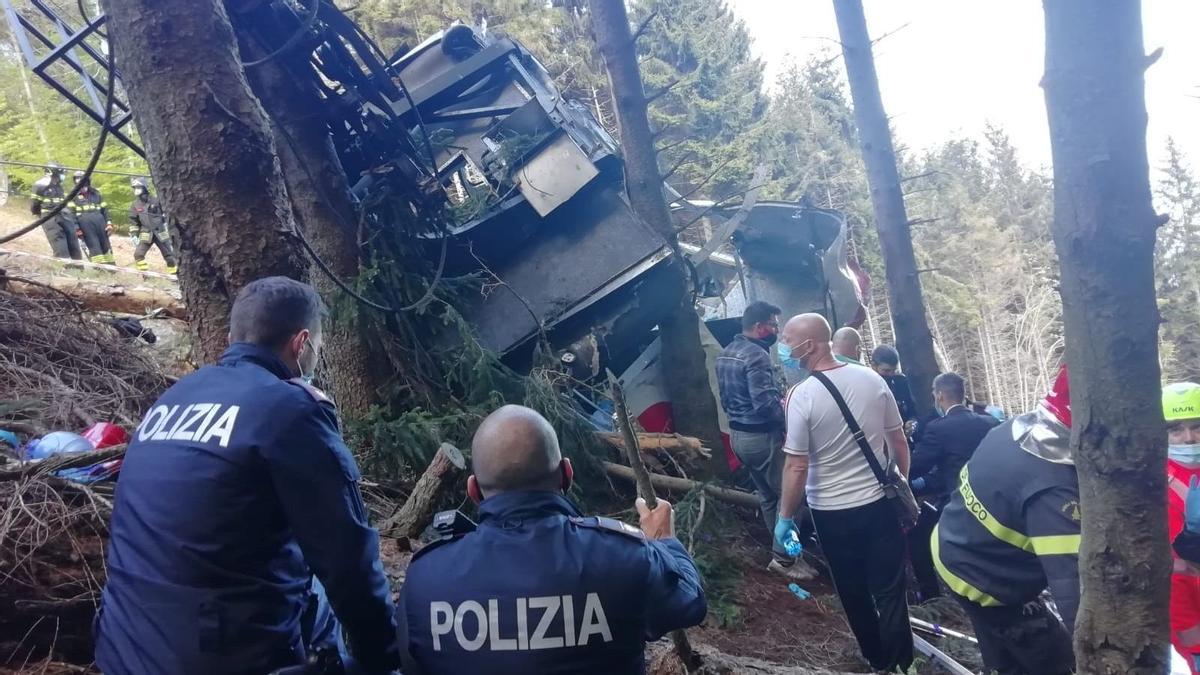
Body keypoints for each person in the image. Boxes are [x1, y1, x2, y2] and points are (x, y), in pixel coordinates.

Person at [95, 277, 399, 675]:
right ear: (302, 343)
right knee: (330, 601)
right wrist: (386, 658)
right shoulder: (290, 409)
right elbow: (348, 558)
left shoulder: (173, 398)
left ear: (231, 336)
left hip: (125, 645)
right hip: (220, 657)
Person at [398, 405, 706, 674]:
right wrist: (663, 540)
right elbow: (689, 602)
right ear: (566, 475)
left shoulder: (425, 578)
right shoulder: (622, 558)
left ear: (474, 491)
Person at [774, 313, 914, 673]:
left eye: (787, 338)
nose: (783, 345)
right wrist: (901, 483)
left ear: (811, 345)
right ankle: (903, 663)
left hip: (831, 513)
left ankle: (878, 661)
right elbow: (897, 439)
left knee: (854, 593)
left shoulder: (800, 396)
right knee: (890, 590)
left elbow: (796, 466)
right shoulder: (871, 379)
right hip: (879, 505)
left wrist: (785, 518)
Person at [933, 365, 1077, 675]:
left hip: (954, 546)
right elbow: (1072, 588)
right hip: (988, 580)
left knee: (1003, 655)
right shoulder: (1053, 490)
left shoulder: (1010, 429)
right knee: (1050, 658)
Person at [715, 300, 815, 579]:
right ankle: (785, 559)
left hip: (739, 437)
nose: (777, 331)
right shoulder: (756, 356)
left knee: (770, 499)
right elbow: (764, 405)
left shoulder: (726, 353)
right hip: (762, 438)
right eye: (773, 325)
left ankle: (785, 555)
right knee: (792, 499)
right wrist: (790, 418)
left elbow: (725, 399)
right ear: (759, 328)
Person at [906, 372, 1000, 602]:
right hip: (994, 500)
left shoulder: (939, 428)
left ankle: (930, 595)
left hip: (958, 501)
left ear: (939, 396)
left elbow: (917, 466)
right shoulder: (989, 422)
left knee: (917, 538)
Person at [1163, 382, 1200, 673]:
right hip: (1190, 614)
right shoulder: (1152, 483)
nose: (1188, 438)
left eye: (1196, 426)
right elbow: (1174, 575)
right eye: (1176, 428)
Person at [30, 162, 81, 260]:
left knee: (72, 239)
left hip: (64, 215)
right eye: (60, 173)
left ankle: (78, 267)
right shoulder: (40, 185)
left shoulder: (58, 186)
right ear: (53, 173)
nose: (62, 176)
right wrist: (41, 215)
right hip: (49, 217)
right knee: (58, 241)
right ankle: (64, 267)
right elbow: (35, 205)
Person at [129, 177, 178, 274]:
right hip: (146, 234)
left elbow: (167, 214)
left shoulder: (156, 201)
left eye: (138, 187)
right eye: (134, 188)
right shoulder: (135, 205)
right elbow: (133, 221)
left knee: (170, 256)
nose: (136, 190)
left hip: (161, 233)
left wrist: (168, 225)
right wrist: (134, 235)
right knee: (138, 255)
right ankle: (145, 276)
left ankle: (174, 277)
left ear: (144, 188)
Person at [68, 170, 115, 264]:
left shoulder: (96, 193)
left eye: (84, 183)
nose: (82, 186)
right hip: (86, 227)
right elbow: (71, 215)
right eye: (79, 183)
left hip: (101, 224)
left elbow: (105, 210)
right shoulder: (72, 196)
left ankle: (112, 268)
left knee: (106, 247)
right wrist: (77, 229)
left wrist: (109, 223)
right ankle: (100, 269)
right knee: (95, 248)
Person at [871, 345, 918, 427]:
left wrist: (911, 420)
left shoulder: (900, 381)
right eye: (886, 371)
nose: (891, 374)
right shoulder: (868, 386)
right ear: (874, 366)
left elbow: (911, 407)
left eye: (894, 370)